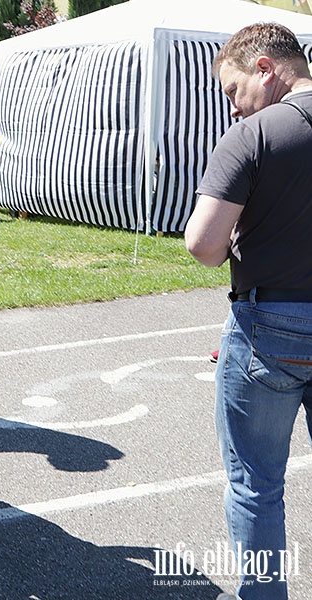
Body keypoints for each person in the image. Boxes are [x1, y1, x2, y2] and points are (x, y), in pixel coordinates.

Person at [184, 22, 312, 600]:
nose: (234, 108)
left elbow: (204, 247)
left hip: (270, 324)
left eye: (234, 90)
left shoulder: (254, 135)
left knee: (256, 485)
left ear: (265, 67)